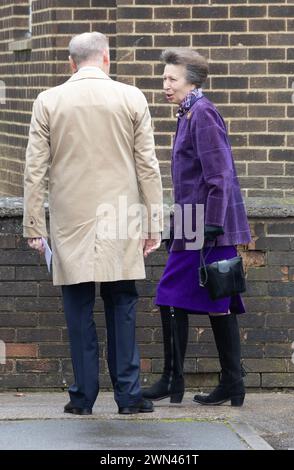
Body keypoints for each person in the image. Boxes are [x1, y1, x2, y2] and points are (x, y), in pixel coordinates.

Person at [23, 32, 163, 415]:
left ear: (71, 63)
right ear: (106, 58)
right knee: (123, 304)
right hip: (121, 217)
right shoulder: (131, 97)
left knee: (78, 308)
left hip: (71, 219)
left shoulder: (48, 101)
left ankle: (82, 397)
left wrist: (34, 225)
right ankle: (129, 397)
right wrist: (154, 223)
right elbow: (147, 166)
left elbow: (34, 170)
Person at [143, 48, 251, 407]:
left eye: (171, 78)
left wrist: (213, 224)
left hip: (204, 224)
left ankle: (173, 381)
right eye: (163, 78)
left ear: (191, 79)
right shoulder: (189, 112)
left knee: (170, 293)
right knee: (219, 300)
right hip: (195, 221)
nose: (165, 84)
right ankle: (232, 385)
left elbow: (219, 174)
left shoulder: (202, 113)